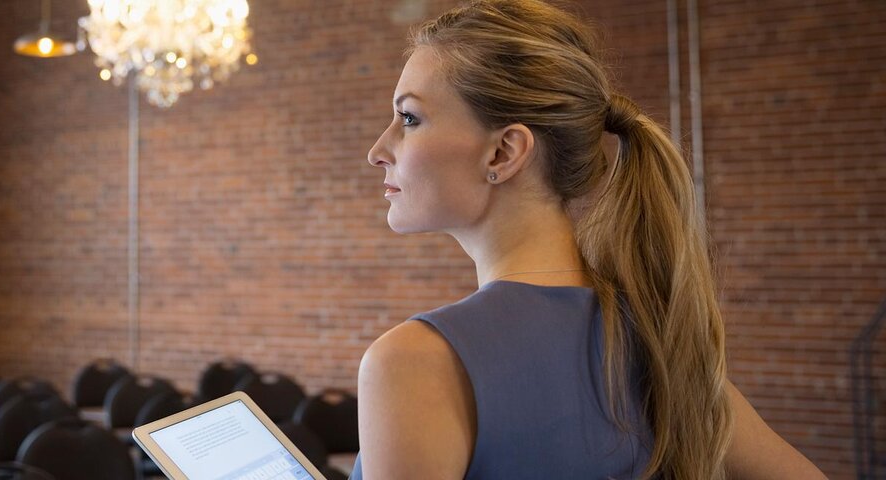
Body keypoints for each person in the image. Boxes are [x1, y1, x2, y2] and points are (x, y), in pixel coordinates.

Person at [354, 0, 826, 478]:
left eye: (409, 119)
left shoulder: (414, 364)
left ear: (503, 152)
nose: (378, 151)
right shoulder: (661, 342)